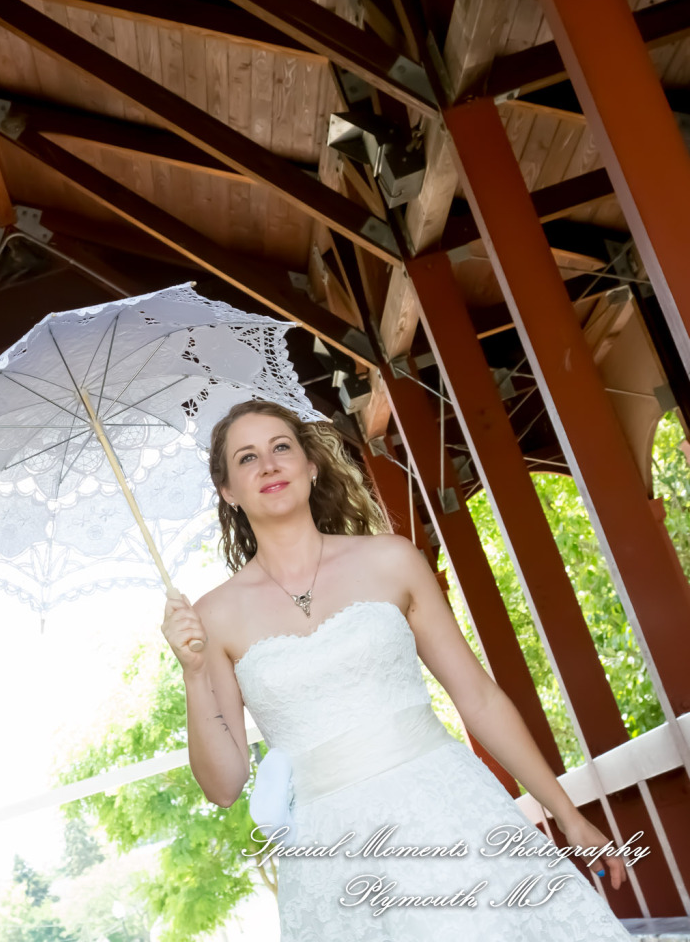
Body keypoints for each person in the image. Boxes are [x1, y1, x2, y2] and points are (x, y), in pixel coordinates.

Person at [160, 399, 637, 940]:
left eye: (281, 447)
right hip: (334, 853)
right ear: (228, 490)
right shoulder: (214, 617)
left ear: (311, 465)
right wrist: (194, 673)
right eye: (246, 458)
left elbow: (478, 698)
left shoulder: (392, 560)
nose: (268, 465)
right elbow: (224, 785)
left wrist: (567, 815)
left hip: (450, 811)